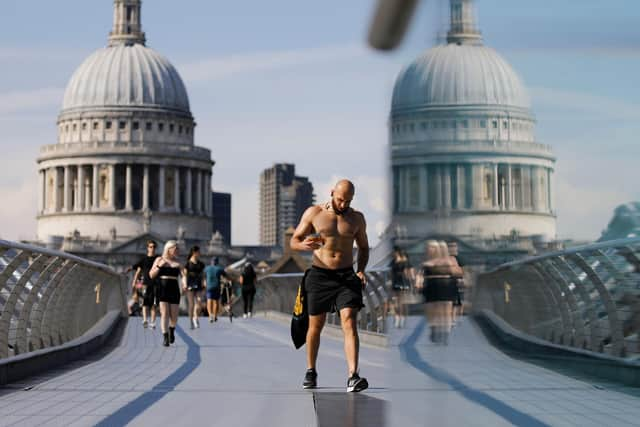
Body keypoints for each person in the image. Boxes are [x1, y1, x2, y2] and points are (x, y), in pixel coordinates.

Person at [290, 179, 369, 393]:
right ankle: (311, 370)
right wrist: (302, 245)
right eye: (340, 199)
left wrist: (361, 270)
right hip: (320, 275)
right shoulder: (314, 213)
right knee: (316, 325)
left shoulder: (357, 219)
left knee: (349, 321)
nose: (343, 204)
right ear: (332, 192)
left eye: (348, 201)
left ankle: (353, 375)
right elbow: (293, 241)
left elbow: (363, 247)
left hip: (346, 276)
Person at [420, 240, 462, 345]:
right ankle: (434, 328)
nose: (430, 250)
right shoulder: (426, 262)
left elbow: (458, 272)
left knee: (446, 310)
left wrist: (450, 268)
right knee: (432, 310)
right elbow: (420, 275)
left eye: (432, 248)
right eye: (429, 248)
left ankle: (445, 333)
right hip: (431, 287)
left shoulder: (448, 260)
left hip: (445, 286)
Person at [149, 240, 182, 347]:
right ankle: (165, 337)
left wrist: (185, 283)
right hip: (162, 288)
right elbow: (151, 275)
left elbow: (184, 276)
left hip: (174, 288)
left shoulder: (178, 262)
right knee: (165, 314)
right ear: (169, 249)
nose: (177, 250)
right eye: (175, 248)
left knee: (174, 316)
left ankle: (172, 330)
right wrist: (159, 266)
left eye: (178, 248)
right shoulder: (159, 259)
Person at [131, 240, 159, 328]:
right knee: (145, 303)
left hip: (156, 284)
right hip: (145, 284)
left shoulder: (158, 259)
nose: (152, 248)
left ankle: (153, 322)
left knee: (154, 304)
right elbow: (138, 271)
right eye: (151, 247)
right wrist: (134, 281)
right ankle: (145, 320)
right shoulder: (143, 260)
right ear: (147, 248)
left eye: (154, 247)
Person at [183, 246, 205, 329]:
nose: (200, 253)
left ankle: (196, 317)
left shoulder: (201, 264)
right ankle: (191, 320)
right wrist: (184, 284)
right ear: (194, 252)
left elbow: (203, 275)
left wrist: (204, 283)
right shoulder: (187, 264)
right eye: (198, 252)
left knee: (199, 302)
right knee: (191, 304)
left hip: (198, 283)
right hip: (190, 283)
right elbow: (184, 275)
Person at [204, 257, 228, 322]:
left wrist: (204, 282)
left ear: (211, 262)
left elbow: (203, 275)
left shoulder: (207, 268)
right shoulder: (220, 269)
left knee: (209, 300)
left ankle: (210, 315)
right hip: (217, 286)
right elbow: (225, 275)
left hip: (209, 286)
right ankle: (215, 316)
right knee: (216, 302)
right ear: (217, 262)